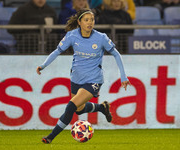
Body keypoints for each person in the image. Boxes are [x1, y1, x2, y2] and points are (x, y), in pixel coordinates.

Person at [36, 9, 131, 144]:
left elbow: (116, 54)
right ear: (79, 22)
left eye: (92, 20)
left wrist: (123, 77)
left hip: (94, 79)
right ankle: (101, 108)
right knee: (79, 110)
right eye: (86, 20)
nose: (90, 22)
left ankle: (51, 136)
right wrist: (43, 65)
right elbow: (57, 51)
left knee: (70, 106)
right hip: (76, 78)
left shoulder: (101, 38)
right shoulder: (72, 36)